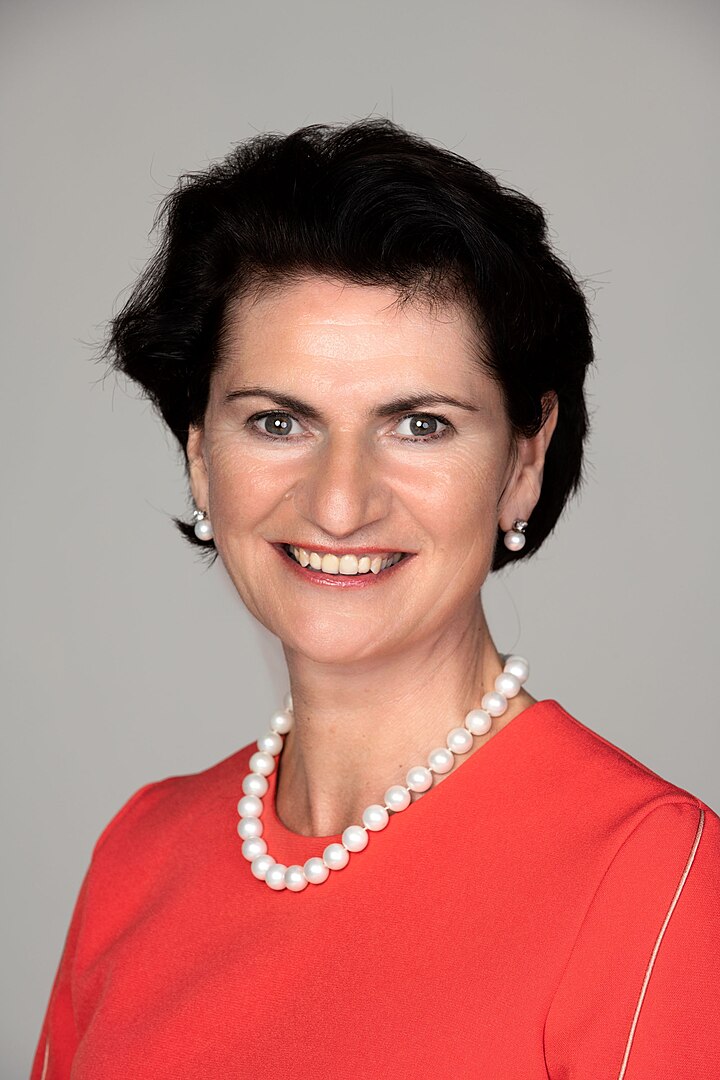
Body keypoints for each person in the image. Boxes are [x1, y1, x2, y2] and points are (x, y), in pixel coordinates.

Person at [32, 119, 720, 1079]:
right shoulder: (138, 856)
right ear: (198, 452)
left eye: (420, 425)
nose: (339, 501)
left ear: (523, 462)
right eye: (278, 420)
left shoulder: (653, 878)